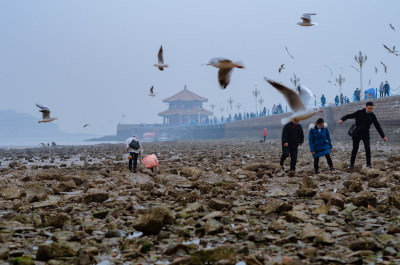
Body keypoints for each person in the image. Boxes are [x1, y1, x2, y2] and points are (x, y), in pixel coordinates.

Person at [339, 101, 387, 169]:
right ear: (366, 107)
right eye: (369, 108)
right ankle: (351, 165)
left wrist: (383, 136)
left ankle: (368, 164)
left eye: (371, 109)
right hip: (357, 133)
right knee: (355, 149)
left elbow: (377, 126)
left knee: (367, 148)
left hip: (365, 134)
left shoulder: (372, 115)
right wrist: (342, 119)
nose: (370, 110)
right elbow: (350, 115)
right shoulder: (359, 112)